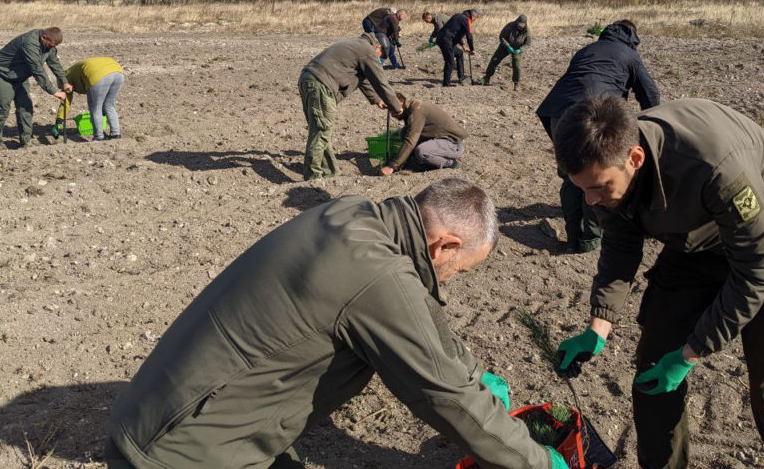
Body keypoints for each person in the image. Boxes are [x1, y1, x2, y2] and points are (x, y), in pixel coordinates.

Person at [105, 179, 569, 469]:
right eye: (460, 269)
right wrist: (538, 463)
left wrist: (472, 371)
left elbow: (419, 310)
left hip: (161, 418)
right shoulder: (379, 276)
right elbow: (445, 397)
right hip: (174, 454)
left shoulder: (354, 215)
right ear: (443, 246)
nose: (453, 280)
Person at [552, 96, 764, 469]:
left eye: (598, 187)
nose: (590, 199)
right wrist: (598, 325)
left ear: (634, 159)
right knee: (652, 374)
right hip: (695, 240)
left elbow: (757, 271)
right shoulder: (602, 164)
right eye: (581, 188)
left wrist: (691, 352)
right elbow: (620, 242)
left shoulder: (716, 168)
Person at [535, 19, 660, 252]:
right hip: (593, 115)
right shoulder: (630, 55)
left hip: (559, 114)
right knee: (597, 178)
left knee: (573, 176)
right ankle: (590, 240)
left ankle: (574, 236)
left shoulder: (586, 50)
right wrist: (651, 129)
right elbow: (650, 94)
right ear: (632, 38)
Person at [298, 33, 402, 181]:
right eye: (382, 55)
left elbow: (363, 79)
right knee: (321, 131)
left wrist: (377, 99)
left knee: (321, 130)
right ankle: (312, 176)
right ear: (378, 47)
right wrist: (396, 106)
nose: (381, 59)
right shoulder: (367, 50)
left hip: (309, 79)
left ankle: (330, 173)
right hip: (321, 84)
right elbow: (380, 81)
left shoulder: (357, 45)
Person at [0, 27, 72, 152]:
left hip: (20, 75)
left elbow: (54, 63)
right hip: (1, 74)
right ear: (44, 37)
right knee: (1, 108)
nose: (52, 48)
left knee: (25, 107)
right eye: (51, 44)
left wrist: (64, 82)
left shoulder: (49, 46)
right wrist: (53, 91)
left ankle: (27, 140)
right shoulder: (29, 43)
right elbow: (37, 70)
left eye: (55, 46)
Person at [379, 92, 468, 175]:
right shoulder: (411, 107)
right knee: (404, 132)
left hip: (454, 144)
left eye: (393, 109)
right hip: (441, 140)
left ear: (402, 102)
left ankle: (450, 163)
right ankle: (417, 160)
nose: (392, 114)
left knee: (422, 151)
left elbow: (410, 140)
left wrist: (392, 166)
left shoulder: (417, 110)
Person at [53, 57, 125, 141]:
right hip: (117, 71)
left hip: (96, 75)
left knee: (95, 108)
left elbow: (66, 102)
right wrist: (59, 120)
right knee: (109, 105)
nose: (64, 91)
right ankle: (115, 134)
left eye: (62, 89)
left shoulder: (66, 79)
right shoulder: (72, 73)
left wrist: (58, 122)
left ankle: (99, 136)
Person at [483, 14, 531, 91]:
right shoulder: (510, 26)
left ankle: (516, 84)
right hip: (505, 46)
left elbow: (528, 43)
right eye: (519, 25)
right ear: (516, 22)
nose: (520, 27)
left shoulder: (527, 31)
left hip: (517, 48)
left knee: (516, 65)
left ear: (525, 24)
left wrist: (520, 49)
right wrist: (508, 46)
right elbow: (501, 37)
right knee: (495, 60)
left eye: (521, 26)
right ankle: (487, 78)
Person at [436, 9, 479, 87]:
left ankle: (461, 77)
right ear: (473, 16)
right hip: (446, 40)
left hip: (443, 38)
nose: (474, 21)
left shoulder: (458, 16)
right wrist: (472, 49)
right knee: (450, 61)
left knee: (459, 53)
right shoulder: (466, 20)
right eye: (475, 19)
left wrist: (463, 45)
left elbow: (456, 33)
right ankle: (446, 84)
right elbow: (469, 35)